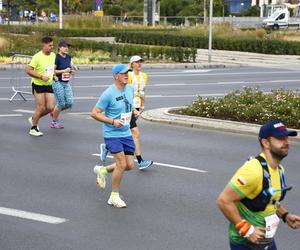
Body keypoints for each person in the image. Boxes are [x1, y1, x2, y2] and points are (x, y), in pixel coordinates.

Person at [217, 120, 300, 250]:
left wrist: (285, 215)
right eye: (280, 138)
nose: (286, 142)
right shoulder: (253, 170)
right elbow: (224, 201)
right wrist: (247, 230)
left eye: (286, 137)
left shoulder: (279, 170)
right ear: (265, 143)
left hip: (265, 240)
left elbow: (269, 199)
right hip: (245, 243)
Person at [91, 64, 135, 208]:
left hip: (126, 132)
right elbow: (94, 113)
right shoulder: (108, 93)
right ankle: (114, 196)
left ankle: (103, 170)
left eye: (127, 73)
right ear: (116, 75)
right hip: (112, 134)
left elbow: (129, 107)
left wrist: (135, 113)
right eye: (123, 73)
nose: (126, 75)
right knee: (121, 164)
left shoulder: (130, 89)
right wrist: (112, 121)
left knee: (129, 165)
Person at [100, 55, 153, 170]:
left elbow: (142, 92)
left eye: (141, 62)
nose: (139, 64)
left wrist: (140, 107)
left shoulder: (145, 76)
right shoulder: (128, 76)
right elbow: (121, 90)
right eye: (137, 62)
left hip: (134, 107)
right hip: (125, 107)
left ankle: (108, 146)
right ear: (131, 64)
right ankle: (140, 160)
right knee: (135, 133)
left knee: (129, 131)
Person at [26, 36, 56, 136]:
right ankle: (33, 128)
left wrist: (55, 75)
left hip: (48, 84)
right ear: (43, 45)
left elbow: (52, 68)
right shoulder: (37, 56)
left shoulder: (53, 56)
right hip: (38, 84)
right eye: (49, 45)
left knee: (50, 107)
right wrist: (41, 77)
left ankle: (34, 118)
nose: (52, 47)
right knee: (41, 108)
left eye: (52, 45)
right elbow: (28, 70)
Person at [51, 40, 74, 129]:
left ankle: (54, 112)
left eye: (67, 47)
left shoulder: (68, 57)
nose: (66, 48)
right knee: (61, 104)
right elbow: (53, 70)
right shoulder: (56, 57)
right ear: (59, 48)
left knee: (69, 103)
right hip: (57, 82)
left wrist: (71, 71)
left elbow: (69, 68)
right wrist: (62, 72)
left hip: (66, 82)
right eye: (64, 46)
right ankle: (54, 122)